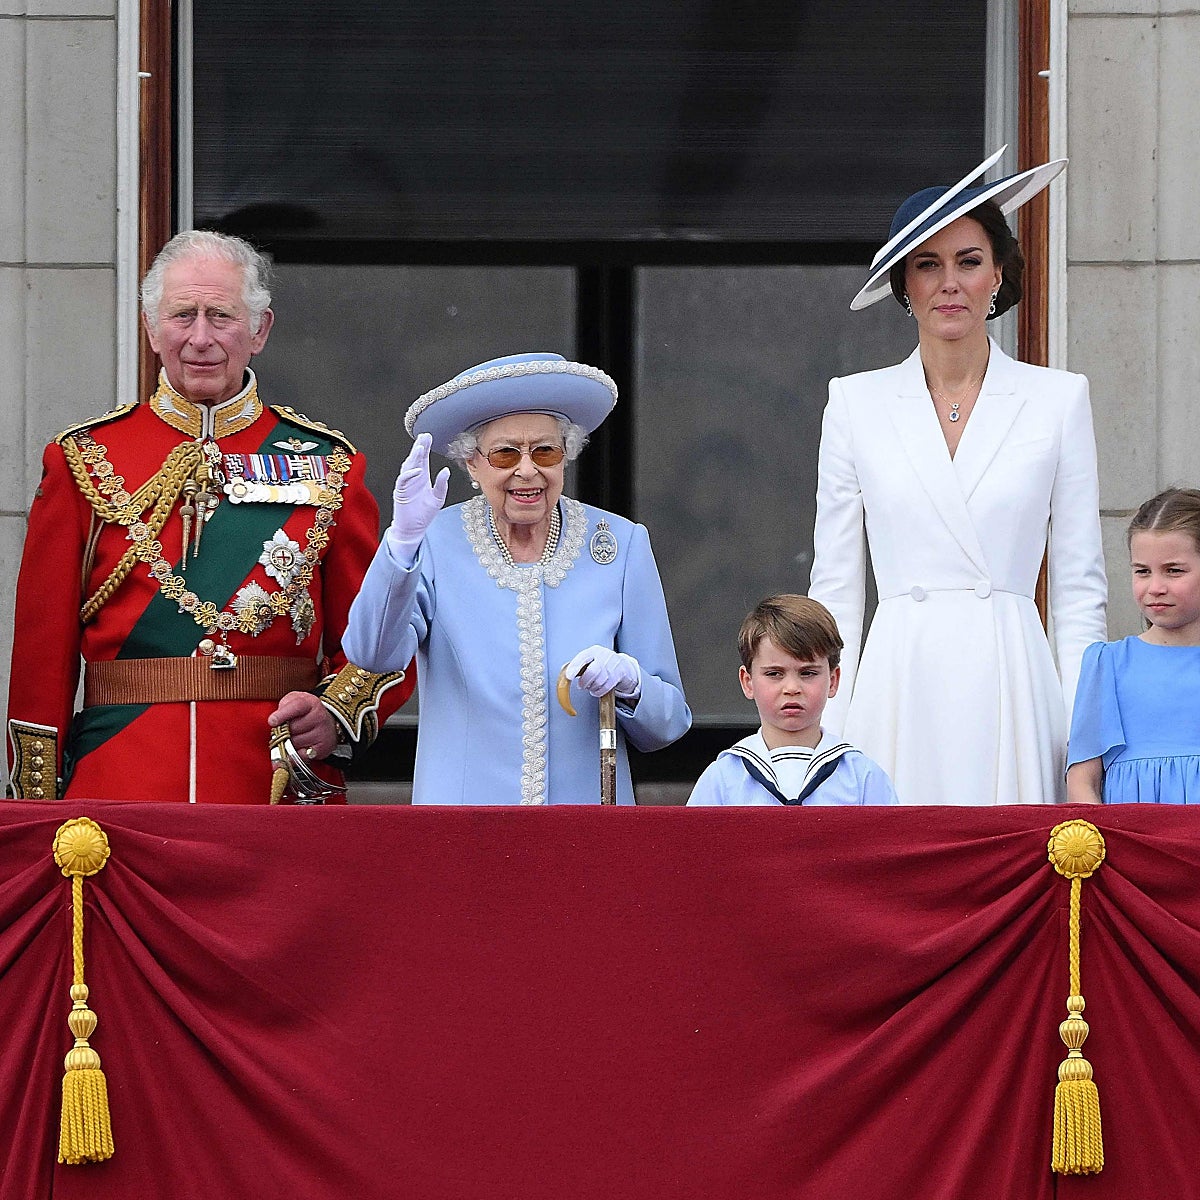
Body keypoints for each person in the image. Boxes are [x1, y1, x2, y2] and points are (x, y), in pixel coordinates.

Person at [5, 230, 412, 803]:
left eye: (220, 315)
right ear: (151, 329)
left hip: (273, 786)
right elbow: (39, 662)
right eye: (182, 315)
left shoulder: (329, 466)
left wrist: (334, 713)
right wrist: (37, 810)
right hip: (119, 786)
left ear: (259, 330)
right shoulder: (82, 460)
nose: (200, 338)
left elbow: (381, 632)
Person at [808, 147, 1108, 806]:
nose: (950, 283)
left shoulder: (1059, 399)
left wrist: (1084, 743)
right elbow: (834, 592)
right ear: (904, 285)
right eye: (928, 265)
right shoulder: (855, 403)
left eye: (969, 262)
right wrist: (824, 735)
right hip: (898, 683)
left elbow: (1078, 593)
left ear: (999, 275)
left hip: (1011, 680)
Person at [343, 351, 691, 805]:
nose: (527, 471)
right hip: (463, 832)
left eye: (545, 451)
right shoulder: (434, 542)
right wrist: (402, 544)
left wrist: (632, 683)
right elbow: (372, 653)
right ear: (472, 464)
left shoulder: (620, 545)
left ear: (565, 456)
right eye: (506, 453)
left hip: (584, 831)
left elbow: (668, 724)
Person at [687, 595, 897, 807]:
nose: (792, 688)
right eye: (774, 674)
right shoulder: (722, 779)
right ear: (748, 681)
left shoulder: (864, 777)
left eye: (807, 673)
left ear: (833, 681)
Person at [1067, 489, 1200, 805]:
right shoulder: (1107, 664)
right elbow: (1082, 782)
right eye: (1142, 571)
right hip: (1131, 847)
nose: (1155, 587)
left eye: (1174, 570)